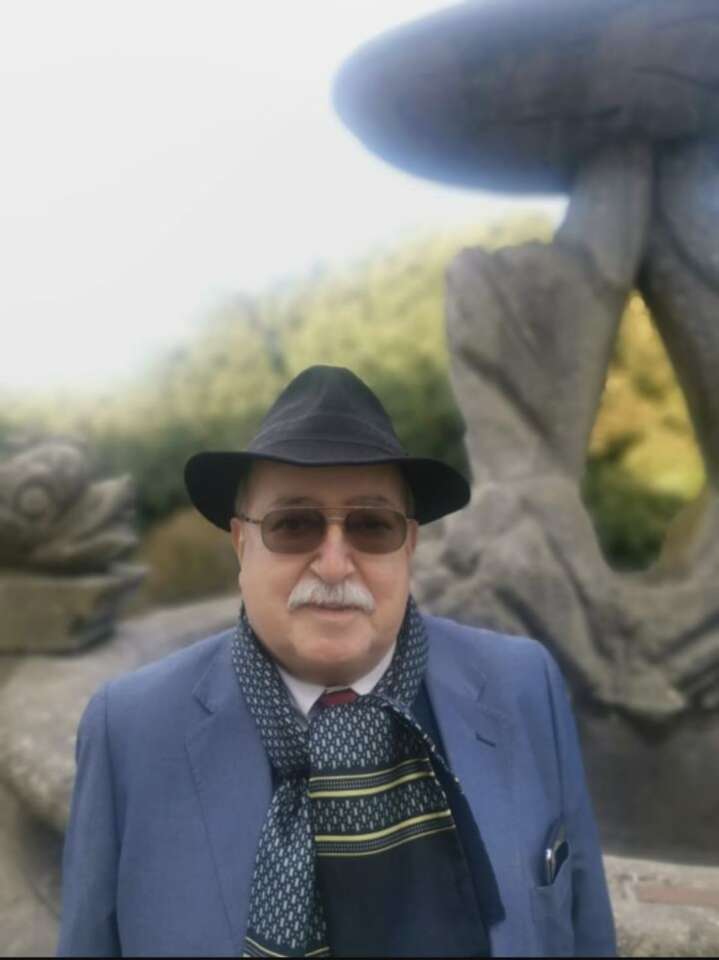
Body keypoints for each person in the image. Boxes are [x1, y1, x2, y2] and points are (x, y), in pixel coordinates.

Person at [57, 364, 616, 957]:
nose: (333, 564)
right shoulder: (129, 731)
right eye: (293, 524)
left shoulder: (524, 686)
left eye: (371, 525)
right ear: (242, 543)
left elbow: (585, 932)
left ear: (410, 545)